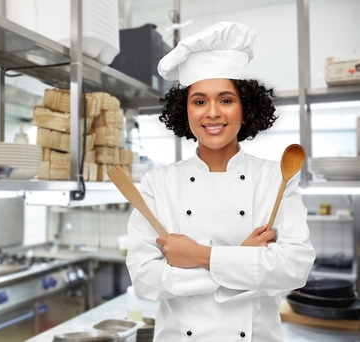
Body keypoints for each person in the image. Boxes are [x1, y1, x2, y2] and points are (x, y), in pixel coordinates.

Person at [126, 21, 315, 341]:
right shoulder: (159, 183)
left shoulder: (277, 178)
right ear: (184, 110)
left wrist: (200, 256)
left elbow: (294, 269)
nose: (212, 113)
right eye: (199, 101)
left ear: (245, 107)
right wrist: (244, 261)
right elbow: (145, 282)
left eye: (226, 100)